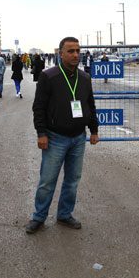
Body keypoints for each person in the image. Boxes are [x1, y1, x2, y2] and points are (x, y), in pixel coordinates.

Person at [25, 37, 100, 234]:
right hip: (55, 137)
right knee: (47, 181)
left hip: (78, 138)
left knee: (72, 180)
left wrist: (94, 130)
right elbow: (38, 107)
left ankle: (65, 214)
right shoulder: (48, 76)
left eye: (78, 50)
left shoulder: (85, 78)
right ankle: (39, 217)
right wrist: (41, 133)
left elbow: (90, 105)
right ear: (60, 53)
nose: (75, 54)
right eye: (70, 51)